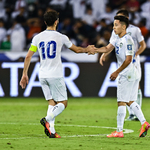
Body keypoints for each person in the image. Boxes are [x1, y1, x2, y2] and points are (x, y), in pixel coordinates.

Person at [20, 10, 94, 138]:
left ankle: (52, 131)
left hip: (42, 74)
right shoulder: (61, 37)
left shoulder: (37, 37)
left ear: (45, 22)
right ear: (56, 21)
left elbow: (28, 56)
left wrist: (24, 74)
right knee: (63, 103)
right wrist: (87, 49)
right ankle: (47, 119)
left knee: (51, 101)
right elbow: (76, 50)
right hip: (55, 75)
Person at [89, 15, 150, 138]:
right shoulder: (118, 38)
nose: (113, 27)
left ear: (123, 26)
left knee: (121, 101)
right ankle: (144, 123)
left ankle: (119, 131)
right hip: (131, 73)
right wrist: (94, 50)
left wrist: (117, 71)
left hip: (127, 73)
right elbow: (107, 48)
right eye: (113, 24)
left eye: (116, 25)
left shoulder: (127, 40)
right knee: (130, 101)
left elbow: (128, 59)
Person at [99, 9, 146, 121]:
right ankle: (140, 119)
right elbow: (110, 46)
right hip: (125, 63)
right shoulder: (116, 32)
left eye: (119, 19)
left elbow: (142, 45)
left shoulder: (135, 31)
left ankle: (121, 129)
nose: (115, 24)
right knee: (128, 99)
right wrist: (103, 54)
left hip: (131, 63)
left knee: (124, 98)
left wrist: (135, 55)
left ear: (126, 20)